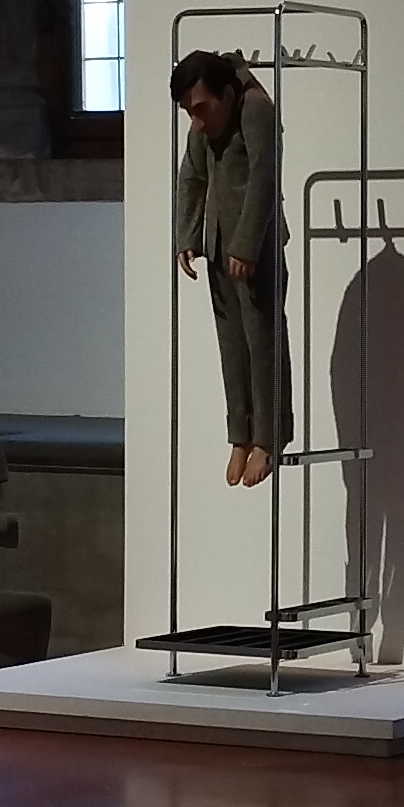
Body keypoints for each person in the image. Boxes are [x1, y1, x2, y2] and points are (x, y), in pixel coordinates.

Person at [172, 49, 291, 487]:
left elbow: (265, 176)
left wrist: (247, 245)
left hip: (253, 246)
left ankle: (269, 436)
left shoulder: (256, 109)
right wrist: (187, 235)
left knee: (262, 341)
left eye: (201, 108)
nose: (197, 121)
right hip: (218, 245)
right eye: (189, 112)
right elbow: (193, 174)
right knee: (231, 344)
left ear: (225, 93)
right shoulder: (205, 125)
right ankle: (240, 434)